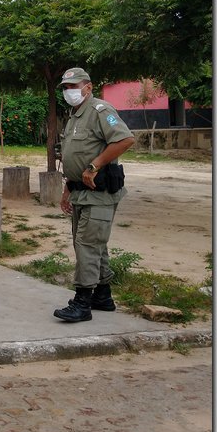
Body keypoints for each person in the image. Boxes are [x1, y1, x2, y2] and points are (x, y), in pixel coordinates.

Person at [54, 67, 135, 322]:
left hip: (99, 193)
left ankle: (82, 302)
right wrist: (68, 188)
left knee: (87, 245)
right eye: (66, 88)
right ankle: (103, 295)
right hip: (81, 193)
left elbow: (124, 140)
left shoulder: (101, 110)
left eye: (74, 86)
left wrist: (94, 165)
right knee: (94, 246)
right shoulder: (76, 115)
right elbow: (74, 156)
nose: (70, 91)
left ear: (88, 87)